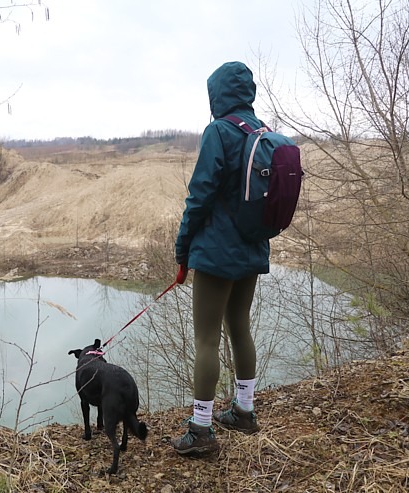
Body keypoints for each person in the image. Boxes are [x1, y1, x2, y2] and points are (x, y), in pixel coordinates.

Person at [171, 61, 265, 455]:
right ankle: (244, 412)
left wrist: (183, 250)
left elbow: (199, 196)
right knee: (239, 326)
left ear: (217, 95)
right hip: (253, 248)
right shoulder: (262, 133)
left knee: (206, 338)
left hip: (216, 255)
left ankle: (202, 431)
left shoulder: (219, 132)